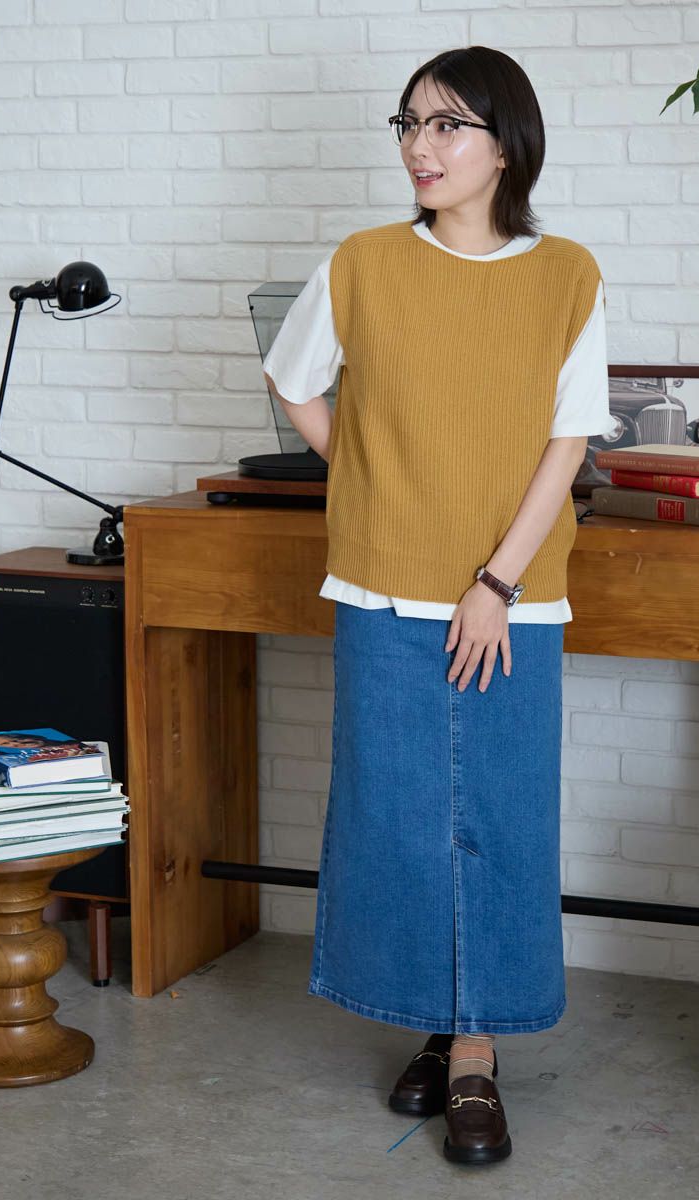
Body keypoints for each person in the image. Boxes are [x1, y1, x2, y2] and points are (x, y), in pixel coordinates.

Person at [262, 45, 612, 1166]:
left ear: (506, 145)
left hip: (514, 599)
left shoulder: (567, 275)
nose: (422, 145)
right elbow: (294, 383)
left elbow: (569, 441)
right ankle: (436, 1019)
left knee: (500, 820)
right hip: (381, 586)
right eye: (410, 123)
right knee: (398, 820)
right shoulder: (363, 263)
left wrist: (496, 582)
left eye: (448, 124)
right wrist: (374, 481)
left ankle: (474, 1054)